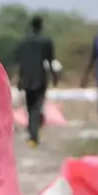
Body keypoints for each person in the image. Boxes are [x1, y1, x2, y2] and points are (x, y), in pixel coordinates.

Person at [14, 15, 58, 149]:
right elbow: (50, 61)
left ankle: (32, 133)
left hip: (27, 78)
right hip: (40, 77)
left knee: (30, 107)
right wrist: (54, 75)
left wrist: (20, 79)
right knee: (37, 107)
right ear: (41, 26)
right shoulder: (46, 41)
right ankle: (34, 135)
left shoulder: (24, 42)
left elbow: (21, 63)